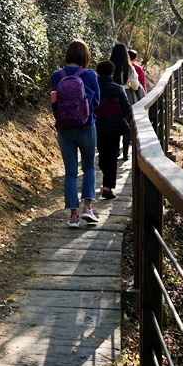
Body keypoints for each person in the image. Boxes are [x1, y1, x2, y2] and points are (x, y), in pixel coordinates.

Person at [51, 39, 101, 228]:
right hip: (86, 126)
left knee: (70, 172)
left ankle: (73, 217)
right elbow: (96, 101)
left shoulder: (57, 75)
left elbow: (54, 102)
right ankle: (87, 209)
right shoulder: (89, 75)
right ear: (85, 56)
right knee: (88, 167)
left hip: (64, 128)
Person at [93, 60, 132, 200]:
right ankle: (107, 188)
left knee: (102, 154)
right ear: (112, 73)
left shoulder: (94, 87)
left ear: (98, 72)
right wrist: (117, 116)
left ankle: (105, 176)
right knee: (112, 156)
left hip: (98, 126)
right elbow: (126, 108)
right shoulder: (118, 88)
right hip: (115, 129)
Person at [109, 43, 141, 159]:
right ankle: (126, 152)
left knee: (115, 124)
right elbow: (135, 85)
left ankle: (116, 149)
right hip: (127, 96)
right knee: (127, 124)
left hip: (112, 96)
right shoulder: (129, 68)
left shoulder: (109, 66)